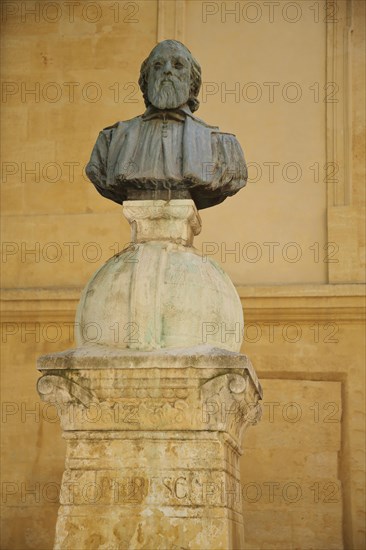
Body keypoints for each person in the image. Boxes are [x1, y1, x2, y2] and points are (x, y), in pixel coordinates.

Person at [86, 40, 247, 210]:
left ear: (192, 81)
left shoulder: (222, 147)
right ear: (146, 80)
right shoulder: (110, 142)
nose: (167, 70)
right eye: (158, 65)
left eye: (178, 65)